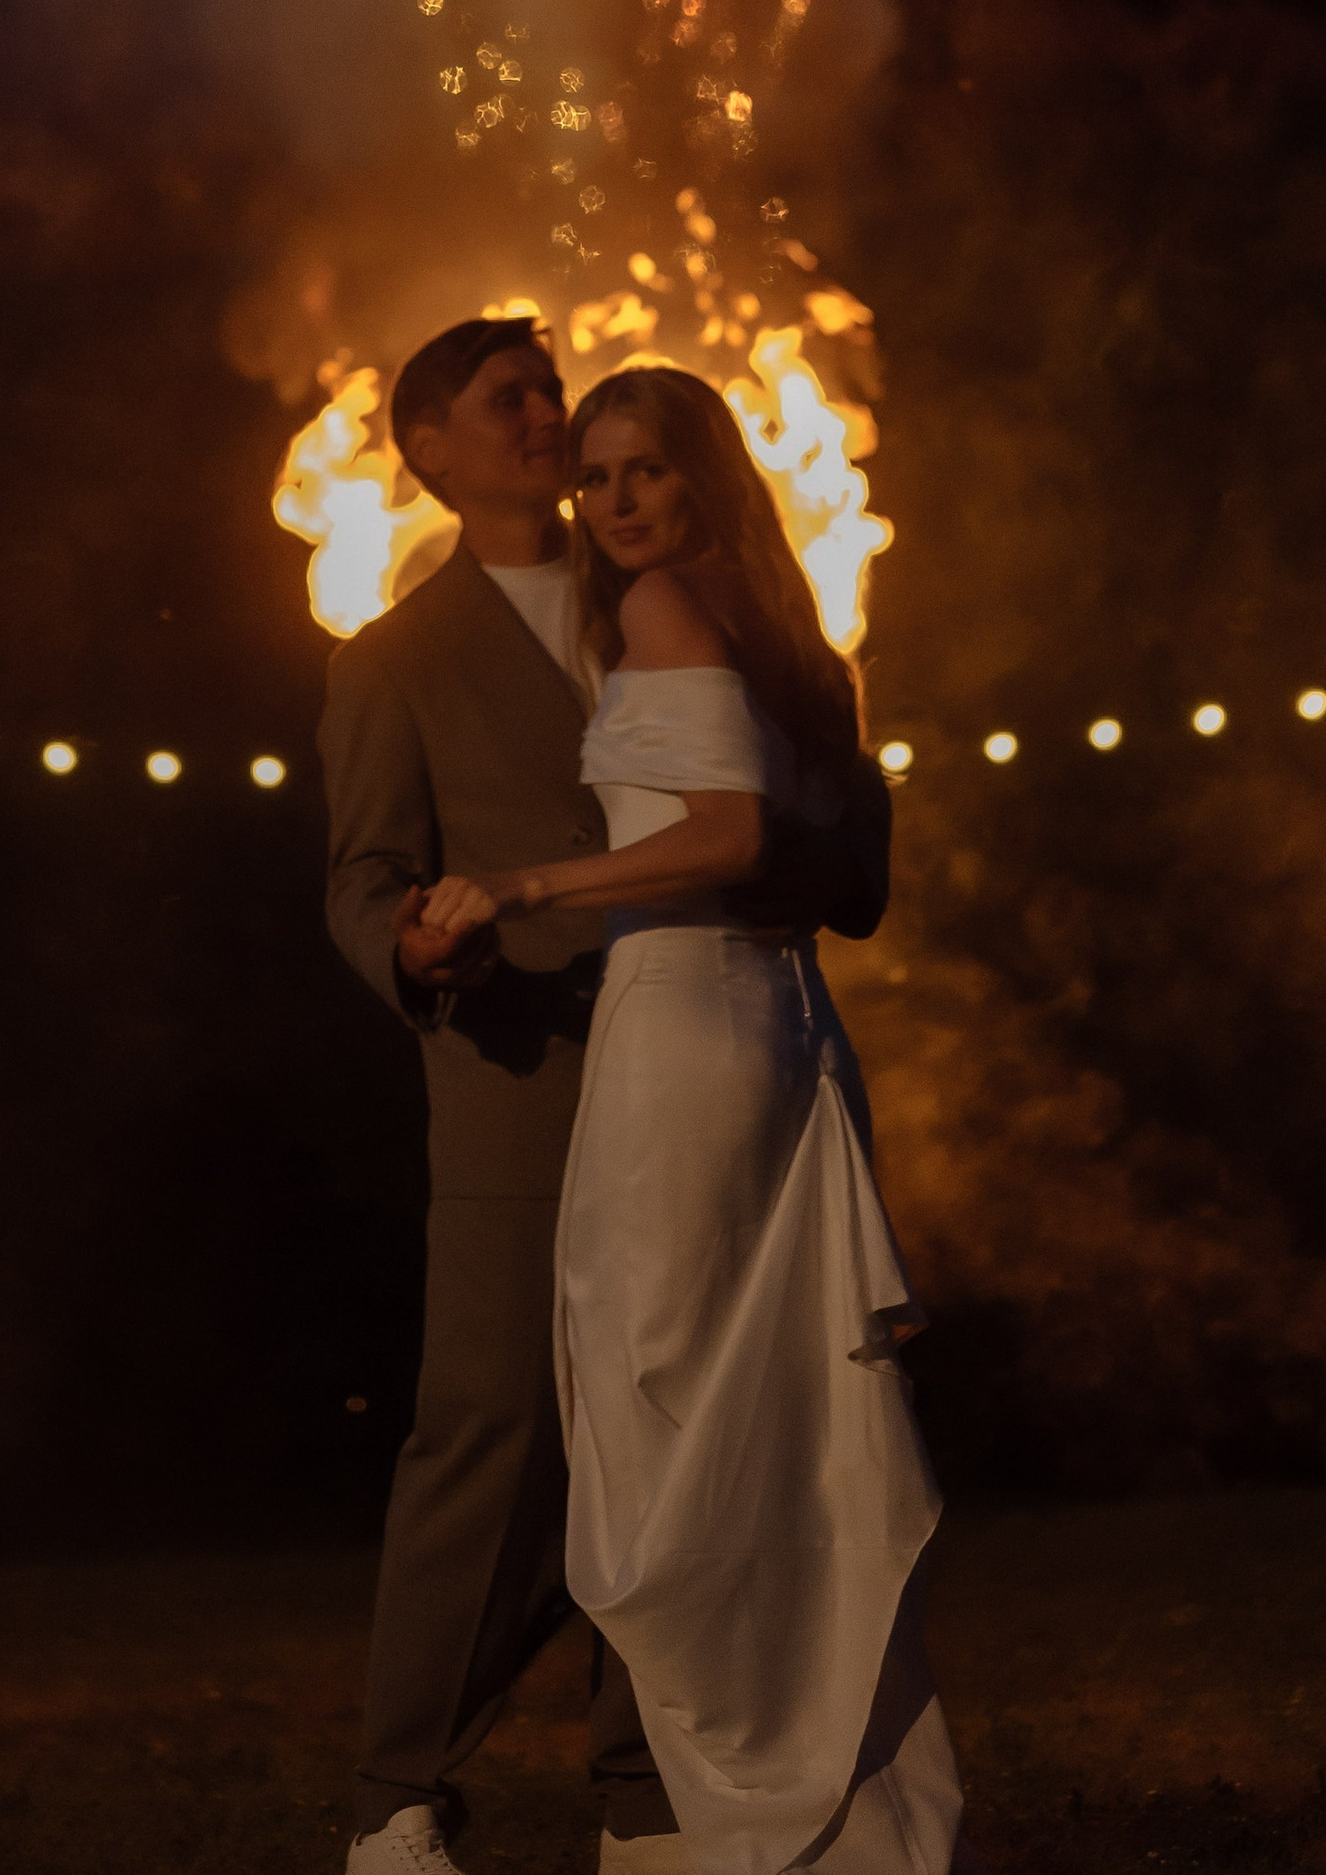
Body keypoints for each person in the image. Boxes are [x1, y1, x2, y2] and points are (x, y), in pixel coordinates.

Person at [321, 317, 897, 1875]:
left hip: (700, 1074)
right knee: (496, 1425)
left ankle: (649, 1793)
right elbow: (361, 882)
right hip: (523, 1080)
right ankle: (399, 1796)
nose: (543, 420)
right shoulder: (399, 659)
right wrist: (427, 948)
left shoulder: (667, 597)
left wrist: (795, 864)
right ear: (427, 448)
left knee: (684, 1429)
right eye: (507, 400)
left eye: (549, 397)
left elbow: (811, 825)